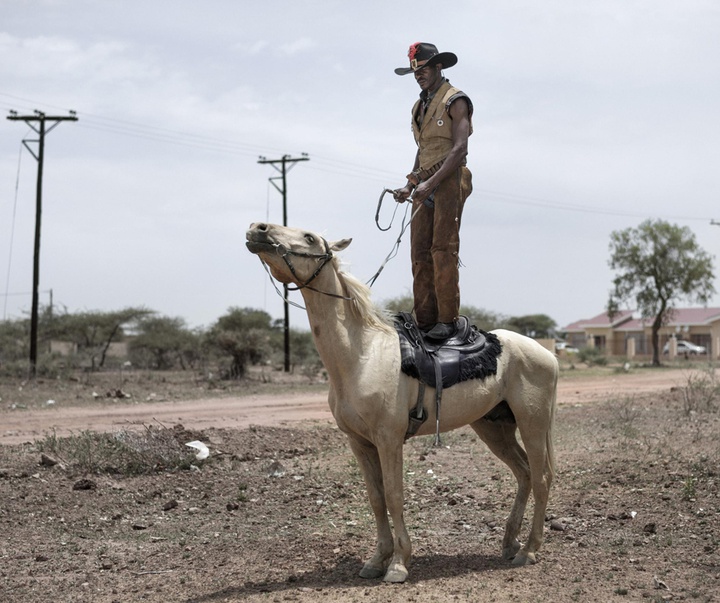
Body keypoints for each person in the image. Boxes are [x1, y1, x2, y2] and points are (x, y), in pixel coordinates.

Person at [394, 42, 473, 340]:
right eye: (415, 72)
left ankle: (448, 320)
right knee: (419, 253)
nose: (419, 76)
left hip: (450, 179)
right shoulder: (419, 106)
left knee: (443, 249)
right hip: (425, 184)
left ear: (438, 67)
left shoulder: (456, 100)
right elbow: (422, 151)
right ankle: (425, 321)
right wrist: (411, 184)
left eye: (423, 70)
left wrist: (432, 181)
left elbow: (460, 149)